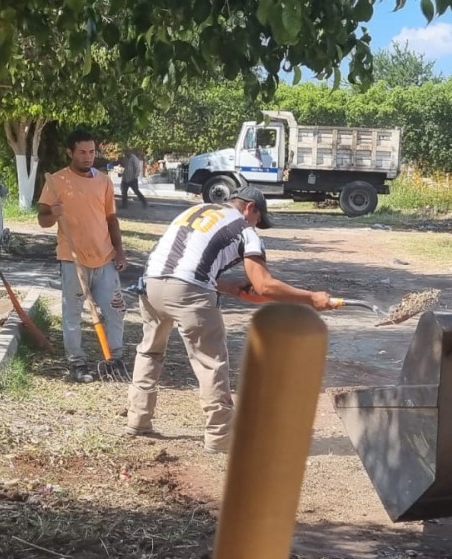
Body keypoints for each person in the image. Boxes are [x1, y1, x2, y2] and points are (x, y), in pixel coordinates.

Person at [125, 186, 333, 453]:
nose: (257, 224)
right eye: (258, 219)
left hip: (151, 284)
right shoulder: (244, 229)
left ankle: (138, 419)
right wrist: (310, 298)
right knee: (211, 363)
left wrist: (231, 287)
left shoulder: (194, 211)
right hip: (190, 292)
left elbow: (183, 263)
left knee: (150, 352)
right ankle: (220, 438)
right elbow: (265, 285)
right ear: (250, 208)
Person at [38, 129, 128, 384]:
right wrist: (53, 213)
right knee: (73, 314)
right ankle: (77, 363)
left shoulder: (104, 181)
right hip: (72, 259)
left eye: (91, 152)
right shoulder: (56, 182)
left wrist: (119, 251)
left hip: (104, 258)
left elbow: (111, 219)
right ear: (70, 152)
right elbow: (42, 219)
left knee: (115, 310)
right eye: (82, 152)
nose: (88, 157)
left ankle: (115, 358)